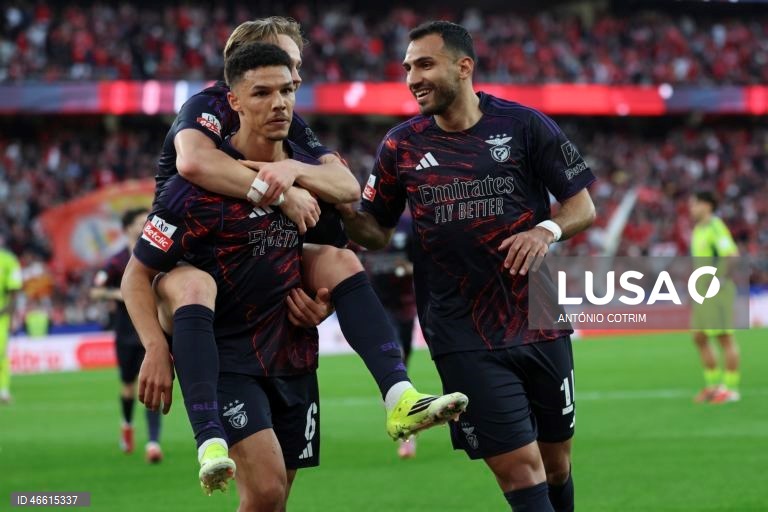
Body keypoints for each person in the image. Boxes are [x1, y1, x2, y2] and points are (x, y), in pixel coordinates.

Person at [131, 16, 467, 494]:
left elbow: (347, 188)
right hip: (200, 279)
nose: (290, 89)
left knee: (275, 494)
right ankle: (207, 436)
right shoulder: (206, 111)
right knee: (265, 489)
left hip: (277, 319)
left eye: (293, 79)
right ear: (242, 80)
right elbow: (192, 163)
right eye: (284, 70)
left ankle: (399, 394)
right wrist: (276, 191)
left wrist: (291, 173)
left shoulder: (292, 131)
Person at [338, 21, 596, 512]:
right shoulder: (400, 146)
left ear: (464, 67)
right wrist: (335, 207)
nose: (413, 77)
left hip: (539, 319)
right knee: (520, 469)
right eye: (408, 67)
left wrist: (546, 230)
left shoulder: (525, 126)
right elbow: (374, 231)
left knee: (556, 462)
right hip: (462, 333)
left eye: (425, 64)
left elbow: (580, 206)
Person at [90, 208, 162, 463]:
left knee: (154, 382)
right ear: (128, 227)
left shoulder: (158, 253)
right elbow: (95, 292)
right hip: (125, 330)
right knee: (128, 385)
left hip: (152, 329)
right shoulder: (117, 261)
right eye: (141, 221)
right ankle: (128, 426)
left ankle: (153, 443)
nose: (146, 224)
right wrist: (118, 294)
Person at [360, 224, 419, 458]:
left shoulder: (409, 230)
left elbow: (424, 266)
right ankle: (408, 435)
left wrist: (408, 268)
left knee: (401, 368)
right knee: (396, 360)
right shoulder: (361, 231)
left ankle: (408, 426)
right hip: (377, 309)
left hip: (405, 308)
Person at [688, 190, 741, 403]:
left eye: (695, 204)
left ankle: (730, 388)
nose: (691, 209)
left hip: (716, 292)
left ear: (707, 205)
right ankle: (713, 386)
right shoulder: (698, 230)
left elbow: (732, 256)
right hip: (701, 293)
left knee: (724, 339)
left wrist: (717, 280)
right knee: (699, 337)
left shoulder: (715, 227)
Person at [0, 238, 22, 404]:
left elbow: (14, 291)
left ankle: (3, 391)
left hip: (1, 316)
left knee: (1, 355)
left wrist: (8, 313)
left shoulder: (8, 261)